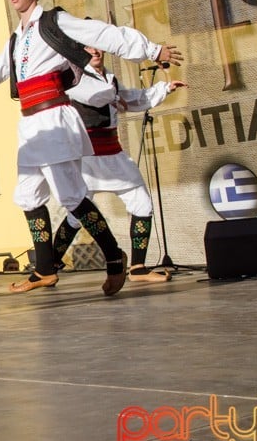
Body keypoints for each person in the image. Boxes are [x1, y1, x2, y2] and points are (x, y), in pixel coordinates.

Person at [0, 0, 183, 296]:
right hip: (31, 126)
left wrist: (152, 50)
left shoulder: (54, 22)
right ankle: (45, 268)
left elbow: (103, 34)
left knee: (72, 197)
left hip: (54, 119)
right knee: (26, 196)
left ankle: (114, 258)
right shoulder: (15, 38)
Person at [53, 46, 187, 281]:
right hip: (86, 156)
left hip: (112, 153)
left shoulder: (110, 78)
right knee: (76, 214)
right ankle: (50, 266)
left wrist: (164, 89)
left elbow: (131, 100)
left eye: (98, 47)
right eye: (88, 48)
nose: (95, 52)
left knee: (142, 204)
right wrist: (114, 96)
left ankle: (137, 268)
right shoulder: (75, 77)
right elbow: (93, 96)